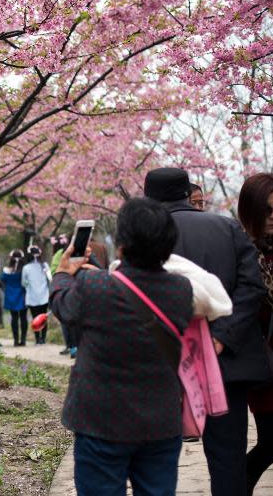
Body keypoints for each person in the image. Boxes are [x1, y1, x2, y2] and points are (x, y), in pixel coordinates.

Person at [51, 197, 194, 495]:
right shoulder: (181, 290)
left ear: (122, 245)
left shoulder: (96, 287)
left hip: (100, 423)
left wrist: (64, 273)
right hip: (160, 423)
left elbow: (63, 307)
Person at [144, 167, 268, 496]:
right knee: (228, 459)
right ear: (188, 193)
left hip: (162, 368)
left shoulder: (143, 236)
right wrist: (222, 336)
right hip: (224, 364)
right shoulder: (226, 227)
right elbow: (253, 288)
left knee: (152, 460)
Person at [237, 173, 273, 495]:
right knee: (271, 442)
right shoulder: (241, 252)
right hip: (264, 364)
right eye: (267, 210)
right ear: (250, 212)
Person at [22, 246, 52, 344]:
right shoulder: (45, 265)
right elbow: (50, 279)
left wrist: (28, 285)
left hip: (32, 297)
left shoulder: (26, 268)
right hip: (44, 296)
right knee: (43, 317)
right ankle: (43, 338)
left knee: (35, 318)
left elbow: (23, 283)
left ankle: (37, 339)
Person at [0, 250, 27, 346]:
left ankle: (16, 340)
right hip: (22, 295)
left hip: (11, 295)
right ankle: (23, 340)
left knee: (14, 318)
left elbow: (2, 280)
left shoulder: (6, 270)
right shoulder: (24, 269)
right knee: (23, 317)